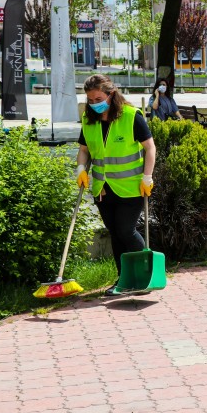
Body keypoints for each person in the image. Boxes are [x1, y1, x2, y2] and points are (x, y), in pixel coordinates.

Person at [75, 74, 156, 296]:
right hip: (103, 188)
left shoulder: (131, 116)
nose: (94, 104)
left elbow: (150, 148)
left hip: (131, 187)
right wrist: (81, 169)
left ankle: (147, 276)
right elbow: (84, 150)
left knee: (126, 230)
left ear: (111, 94)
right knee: (115, 233)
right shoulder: (88, 120)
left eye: (98, 98)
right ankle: (123, 279)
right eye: (90, 100)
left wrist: (147, 176)